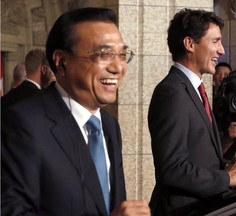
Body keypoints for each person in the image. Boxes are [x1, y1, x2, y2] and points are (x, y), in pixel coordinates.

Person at [2, 7, 150, 216]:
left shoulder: (109, 125)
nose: (118, 67)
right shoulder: (23, 124)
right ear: (61, 61)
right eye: (104, 54)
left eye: (123, 54)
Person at [148, 9, 236, 216]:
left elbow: (201, 160)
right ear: (189, 44)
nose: (222, 50)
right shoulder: (171, 92)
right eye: (215, 41)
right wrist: (227, 178)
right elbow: (172, 169)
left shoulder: (195, 90)